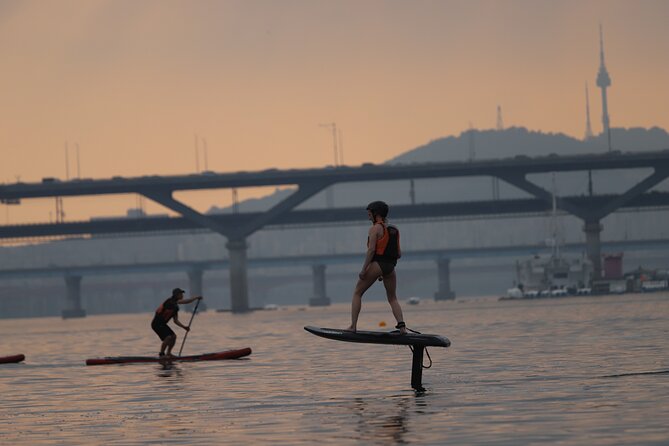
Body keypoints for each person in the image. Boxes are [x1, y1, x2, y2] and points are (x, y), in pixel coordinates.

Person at [347, 201, 407, 334]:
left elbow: (371, 250)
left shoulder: (375, 229)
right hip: (391, 267)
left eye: (370, 214)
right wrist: (383, 271)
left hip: (378, 264)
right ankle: (402, 327)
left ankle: (353, 326)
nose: (368, 217)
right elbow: (399, 254)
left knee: (357, 293)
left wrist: (364, 270)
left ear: (377, 214)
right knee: (392, 298)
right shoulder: (394, 229)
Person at [151, 288, 203, 357]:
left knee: (174, 336)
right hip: (156, 324)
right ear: (176, 295)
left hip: (162, 324)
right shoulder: (170, 301)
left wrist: (184, 327)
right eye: (181, 294)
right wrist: (196, 298)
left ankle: (168, 353)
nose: (182, 295)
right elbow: (186, 301)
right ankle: (161, 354)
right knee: (168, 337)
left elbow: (175, 320)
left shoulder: (175, 308)